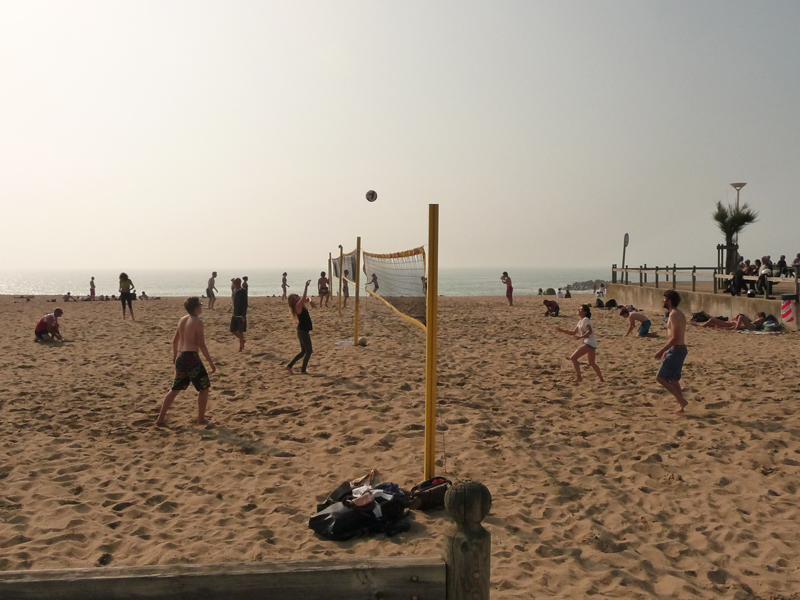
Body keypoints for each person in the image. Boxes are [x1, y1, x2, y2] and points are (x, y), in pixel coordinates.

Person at [155, 297, 215, 426]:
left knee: (175, 389)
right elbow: (201, 344)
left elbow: (175, 341)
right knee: (204, 388)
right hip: (191, 357)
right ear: (196, 308)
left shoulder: (182, 320)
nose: (201, 307)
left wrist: (175, 355)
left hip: (181, 356)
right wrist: (210, 362)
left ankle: (160, 418)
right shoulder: (197, 322)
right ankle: (201, 419)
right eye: (200, 305)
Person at [655, 290, 688, 413]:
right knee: (674, 380)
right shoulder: (677, 313)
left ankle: (681, 400)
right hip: (677, 349)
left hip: (677, 350)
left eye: (664, 298)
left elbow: (675, 337)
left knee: (660, 377)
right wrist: (668, 350)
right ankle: (681, 406)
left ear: (669, 301)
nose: (662, 300)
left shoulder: (674, 314)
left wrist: (661, 350)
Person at [555, 304, 604, 383]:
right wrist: (562, 330)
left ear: (585, 312)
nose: (578, 310)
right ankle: (601, 379)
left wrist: (580, 337)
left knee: (573, 358)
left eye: (580, 309)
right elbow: (573, 332)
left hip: (590, 343)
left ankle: (579, 377)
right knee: (592, 363)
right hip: (591, 343)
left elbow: (590, 331)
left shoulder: (586, 319)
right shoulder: (580, 321)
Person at [286, 280, 313, 374]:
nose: (298, 296)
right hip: (302, 331)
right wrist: (306, 286)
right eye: (296, 296)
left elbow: (308, 298)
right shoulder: (297, 305)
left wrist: (311, 301)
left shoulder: (300, 304)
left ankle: (289, 366)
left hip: (302, 330)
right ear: (294, 300)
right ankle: (303, 370)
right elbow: (305, 297)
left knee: (303, 351)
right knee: (309, 351)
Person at [230, 278, 247, 352]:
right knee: (232, 330)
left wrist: (243, 315)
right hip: (235, 313)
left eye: (235, 283)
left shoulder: (243, 291)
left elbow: (245, 304)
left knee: (240, 331)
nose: (234, 284)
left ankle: (241, 347)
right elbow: (234, 302)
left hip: (240, 314)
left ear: (238, 283)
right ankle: (242, 340)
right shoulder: (234, 291)